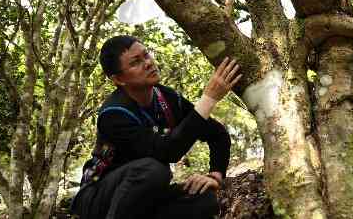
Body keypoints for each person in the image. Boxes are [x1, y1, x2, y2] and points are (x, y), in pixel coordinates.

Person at [70, 35, 241, 219]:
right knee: (153, 170)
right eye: (136, 62)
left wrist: (215, 177)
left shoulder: (167, 98)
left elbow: (217, 134)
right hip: (98, 198)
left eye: (146, 55)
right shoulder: (114, 114)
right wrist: (209, 99)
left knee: (205, 200)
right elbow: (168, 152)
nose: (148, 63)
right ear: (118, 79)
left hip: (143, 197)